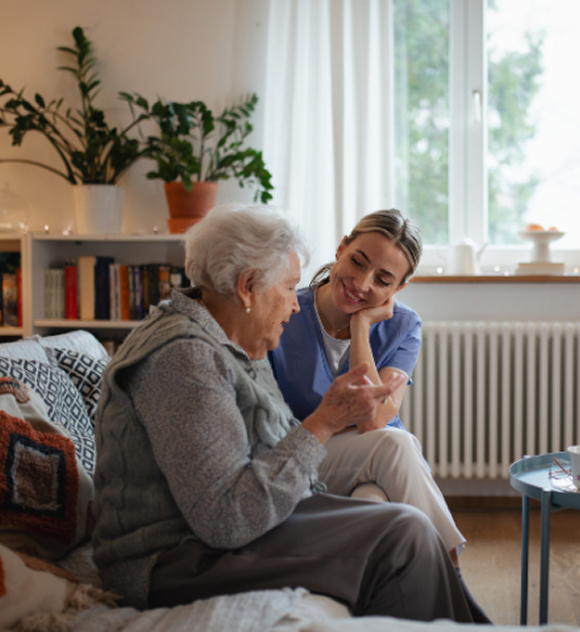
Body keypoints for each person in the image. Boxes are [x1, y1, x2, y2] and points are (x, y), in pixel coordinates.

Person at [91, 204, 473, 623]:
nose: (296, 305)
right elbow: (226, 520)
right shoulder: (185, 359)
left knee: (399, 521)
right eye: (290, 288)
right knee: (404, 534)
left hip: (223, 529)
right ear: (248, 286)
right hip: (173, 557)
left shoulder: (235, 336)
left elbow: (267, 448)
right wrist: (325, 420)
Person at [269, 209, 490, 622]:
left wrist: (360, 326)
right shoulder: (286, 310)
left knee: (378, 502)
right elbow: (376, 425)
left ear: (400, 288)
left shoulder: (404, 325)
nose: (362, 283)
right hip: (304, 453)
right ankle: (458, 590)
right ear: (341, 248)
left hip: (373, 463)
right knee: (393, 443)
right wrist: (362, 318)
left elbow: (374, 419)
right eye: (357, 261)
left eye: (383, 281)